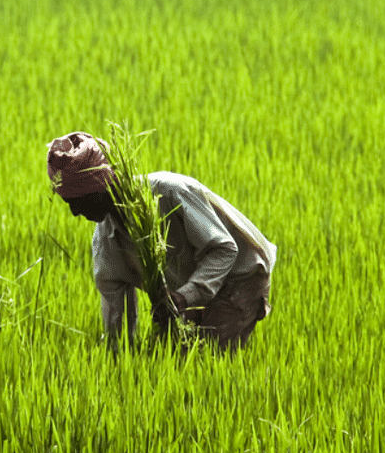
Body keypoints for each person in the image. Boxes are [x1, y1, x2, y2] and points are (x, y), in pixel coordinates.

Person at [46, 131, 277, 351]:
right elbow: (116, 309)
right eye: (69, 203)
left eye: (79, 200)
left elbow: (224, 249)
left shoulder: (169, 193)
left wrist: (185, 297)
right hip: (191, 283)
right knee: (168, 355)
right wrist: (117, 360)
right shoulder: (106, 242)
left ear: (102, 185)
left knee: (205, 360)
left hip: (240, 275)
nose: (75, 212)